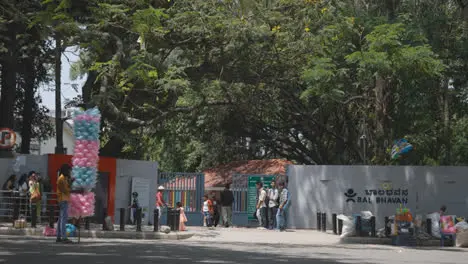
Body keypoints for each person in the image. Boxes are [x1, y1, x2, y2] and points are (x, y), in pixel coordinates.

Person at [56, 164, 72, 243]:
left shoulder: (64, 178)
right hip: (63, 199)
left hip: (64, 199)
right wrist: (71, 186)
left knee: (60, 219)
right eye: (69, 170)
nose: (70, 172)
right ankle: (63, 237)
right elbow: (66, 190)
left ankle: (59, 236)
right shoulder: (61, 179)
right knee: (63, 219)